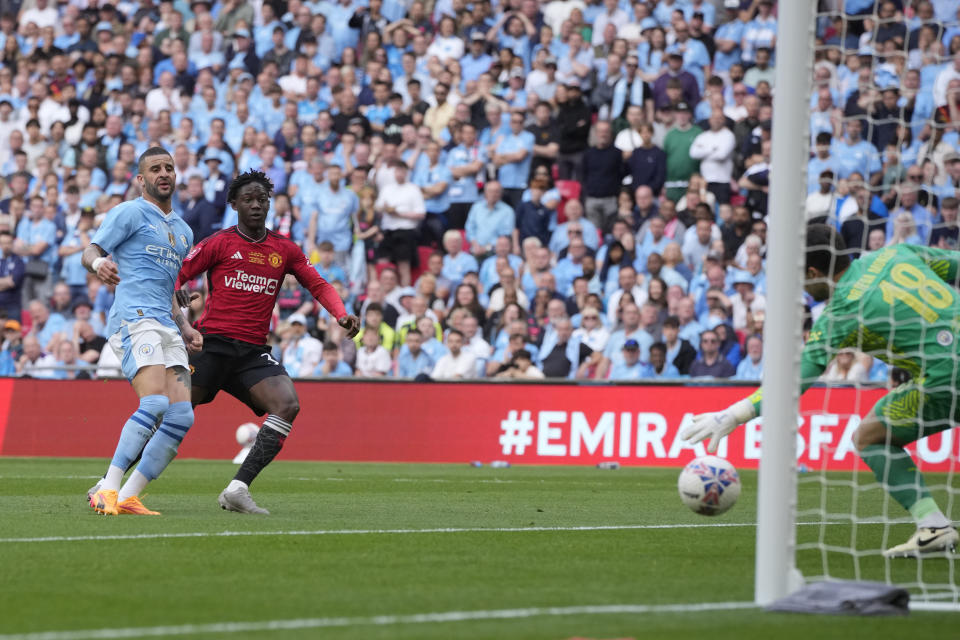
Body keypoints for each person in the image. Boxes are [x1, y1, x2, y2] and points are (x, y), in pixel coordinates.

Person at [92, 171, 360, 514]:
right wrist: (179, 293)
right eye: (248, 200)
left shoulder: (285, 250)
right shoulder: (219, 242)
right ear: (234, 204)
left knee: (288, 405)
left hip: (252, 353)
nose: (256, 206)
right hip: (211, 347)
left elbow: (318, 283)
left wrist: (340, 313)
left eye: (261, 200)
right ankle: (107, 484)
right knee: (168, 413)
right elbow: (176, 272)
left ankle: (237, 488)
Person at [683, 224, 960, 557]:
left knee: (870, 437)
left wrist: (734, 414)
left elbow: (793, 382)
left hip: (947, 377)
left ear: (814, 272)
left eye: (801, 276)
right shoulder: (898, 252)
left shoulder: (840, 313)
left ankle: (934, 525)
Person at [82, 147, 202, 517]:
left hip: (166, 325)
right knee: (154, 403)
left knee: (182, 416)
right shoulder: (129, 212)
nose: (164, 173)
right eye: (155, 169)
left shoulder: (183, 231)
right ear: (141, 178)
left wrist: (185, 325)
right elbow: (90, 250)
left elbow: (170, 291)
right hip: (134, 319)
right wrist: (100, 263)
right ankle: (108, 489)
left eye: (169, 167)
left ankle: (130, 495)